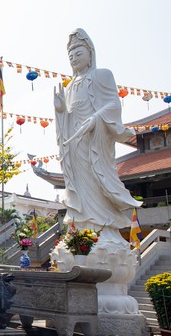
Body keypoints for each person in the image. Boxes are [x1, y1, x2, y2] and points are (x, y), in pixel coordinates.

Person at [53, 28, 139, 233]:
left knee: (96, 179)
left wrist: (96, 118)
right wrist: (60, 110)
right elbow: (69, 115)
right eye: (70, 56)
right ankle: (81, 232)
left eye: (78, 54)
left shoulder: (102, 75)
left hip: (94, 141)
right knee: (79, 186)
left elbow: (114, 105)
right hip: (74, 143)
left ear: (90, 53)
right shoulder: (70, 85)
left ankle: (103, 229)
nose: (74, 59)